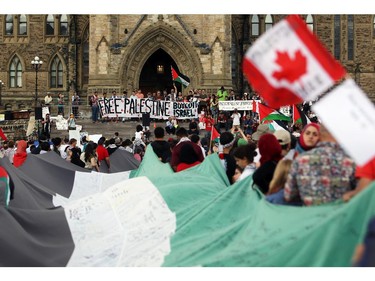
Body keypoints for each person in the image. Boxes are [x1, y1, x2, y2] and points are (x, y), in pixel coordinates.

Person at [284, 125, 357, 206]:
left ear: (319, 136)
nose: (311, 136)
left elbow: (288, 195)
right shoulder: (350, 162)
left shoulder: (301, 160)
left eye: (314, 134)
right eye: (307, 133)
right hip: (340, 215)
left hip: (310, 215)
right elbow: (359, 194)